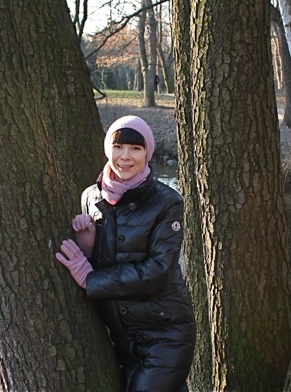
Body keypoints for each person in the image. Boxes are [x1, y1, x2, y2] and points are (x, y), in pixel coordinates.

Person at [56, 115, 195, 392]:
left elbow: (159, 271)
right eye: (118, 147)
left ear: (147, 153)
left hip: (165, 335)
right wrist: (88, 248)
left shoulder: (167, 202)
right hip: (120, 339)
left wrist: (91, 279)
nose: (125, 157)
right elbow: (107, 259)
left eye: (135, 148)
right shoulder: (90, 197)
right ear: (107, 149)